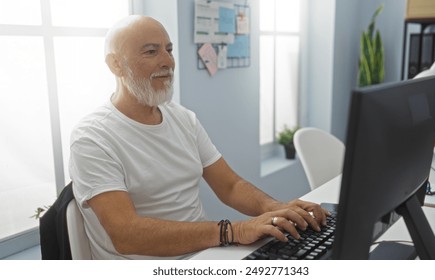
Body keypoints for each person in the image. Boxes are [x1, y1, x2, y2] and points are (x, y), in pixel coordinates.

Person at [69, 15, 330, 260]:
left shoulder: (182, 118)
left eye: (168, 50)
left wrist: (277, 209)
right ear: (115, 64)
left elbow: (230, 186)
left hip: (205, 256)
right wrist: (234, 232)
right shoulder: (92, 137)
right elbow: (127, 234)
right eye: (151, 51)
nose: (167, 62)